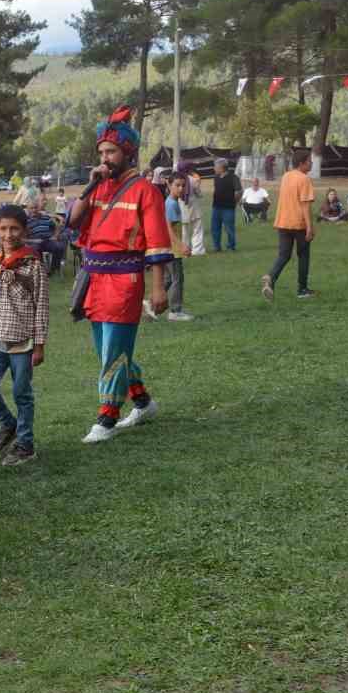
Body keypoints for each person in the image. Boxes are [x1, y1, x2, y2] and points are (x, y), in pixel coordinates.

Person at [69, 105, 173, 444]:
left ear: (127, 152)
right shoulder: (99, 186)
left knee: (114, 350)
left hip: (125, 280)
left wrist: (158, 289)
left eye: (111, 151)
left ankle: (107, 416)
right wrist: (88, 187)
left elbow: (158, 243)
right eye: (101, 152)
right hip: (94, 280)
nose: (105, 158)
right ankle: (142, 401)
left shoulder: (145, 190)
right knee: (106, 350)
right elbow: (73, 221)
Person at [0, 205, 48, 467]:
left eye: (14, 228)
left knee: (21, 392)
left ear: (24, 230)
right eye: (3, 228)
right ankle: (8, 423)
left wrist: (39, 345)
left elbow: (41, 304)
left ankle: (26, 444)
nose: (8, 234)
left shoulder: (33, 262)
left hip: (23, 339)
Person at [263, 147, 316, 300]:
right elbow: (305, 205)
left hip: (282, 221)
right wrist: (309, 228)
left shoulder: (286, 176)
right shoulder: (304, 179)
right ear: (302, 163)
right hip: (298, 223)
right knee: (303, 255)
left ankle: (271, 278)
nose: (311, 163)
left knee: (284, 255)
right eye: (309, 161)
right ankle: (302, 289)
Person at [148, 174, 195, 323]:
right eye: (177, 185)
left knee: (168, 279)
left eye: (183, 185)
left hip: (169, 248)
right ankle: (176, 311)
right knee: (177, 279)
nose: (181, 188)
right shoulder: (171, 204)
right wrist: (181, 245)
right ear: (169, 186)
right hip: (172, 250)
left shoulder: (172, 202)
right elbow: (168, 229)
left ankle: (150, 304)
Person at [177, 161, 207, 255]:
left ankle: (184, 249)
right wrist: (198, 183)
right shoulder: (193, 180)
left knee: (183, 231)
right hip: (193, 207)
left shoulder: (176, 179)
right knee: (197, 229)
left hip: (181, 207)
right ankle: (197, 250)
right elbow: (199, 194)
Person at [209, 158, 238, 251]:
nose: (214, 168)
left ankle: (231, 246)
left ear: (221, 168)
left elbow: (240, 191)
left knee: (229, 228)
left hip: (228, 208)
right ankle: (216, 247)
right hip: (216, 207)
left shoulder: (233, 177)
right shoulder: (216, 177)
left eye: (215, 166)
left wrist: (234, 202)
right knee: (214, 228)